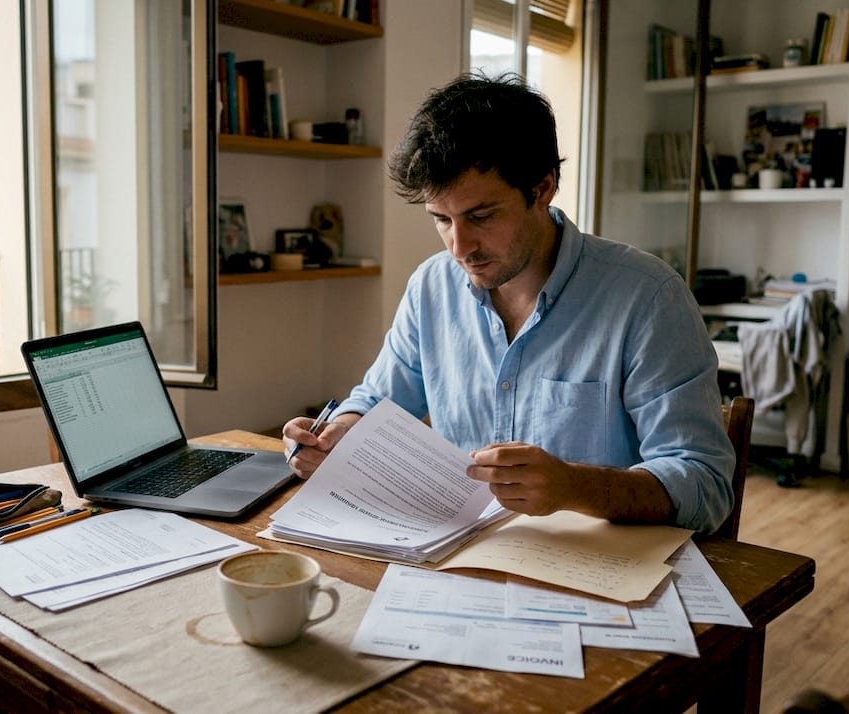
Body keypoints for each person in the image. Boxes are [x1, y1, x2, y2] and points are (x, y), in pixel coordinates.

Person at [281, 72, 734, 533]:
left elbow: (706, 485)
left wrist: (574, 487)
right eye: (441, 219)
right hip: (453, 555)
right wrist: (337, 435)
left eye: (481, 216)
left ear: (542, 189)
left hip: (598, 574)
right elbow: (378, 401)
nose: (460, 247)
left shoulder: (648, 297)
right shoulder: (431, 287)